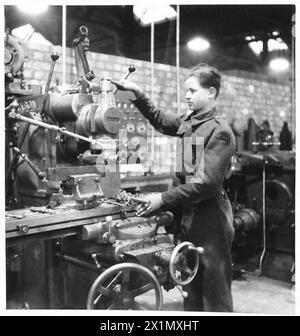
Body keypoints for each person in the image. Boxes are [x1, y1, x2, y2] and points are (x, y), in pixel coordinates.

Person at [112, 63, 236, 312]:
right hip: (190, 214)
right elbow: (159, 119)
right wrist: (137, 93)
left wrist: (163, 198)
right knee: (190, 280)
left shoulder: (220, 131)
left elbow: (205, 184)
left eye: (192, 91)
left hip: (211, 218)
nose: (187, 96)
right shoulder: (191, 122)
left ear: (211, 92)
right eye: (186, 91)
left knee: (214, 290)